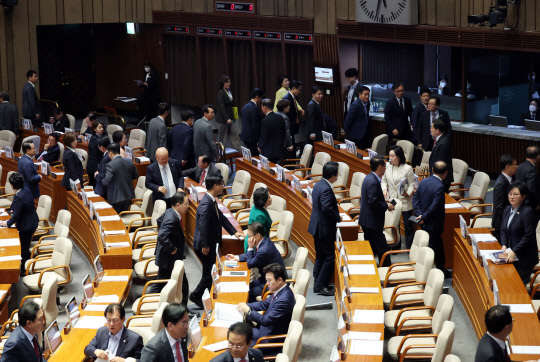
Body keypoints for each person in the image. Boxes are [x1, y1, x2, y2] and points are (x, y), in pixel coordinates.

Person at [189, 174, 244, 308]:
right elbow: (203, 226)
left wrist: (234, 232)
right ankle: (196, 295)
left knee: (209, 271)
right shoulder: (207, 204)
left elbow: (221, 218)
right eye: (222, 184)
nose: (223, 187)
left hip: (208, 243)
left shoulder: (210, 199)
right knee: (209, 273)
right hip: (204, 245)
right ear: (215, 186)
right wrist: (206, 245)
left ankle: (202, 294)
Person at [237, 263, 295, 347]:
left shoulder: (284, 300)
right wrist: (245, 305)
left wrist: (248, 310)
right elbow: (263, 304)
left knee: (238, 346)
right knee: (238, 333)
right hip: (264, 331)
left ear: (279, 280)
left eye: (269, 280)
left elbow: (265, 321)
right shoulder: (281, 290)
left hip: (269, 339)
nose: (267, 283)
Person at [149, 192, 190, 308]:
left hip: (165, 256)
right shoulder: (172, 218)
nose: (188, 206)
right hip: (169, 258)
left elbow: (159, 221)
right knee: (182, 284)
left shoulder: (169, 211)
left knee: (161, 282)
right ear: (178, 205)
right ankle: (184, 310)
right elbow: (161, 236)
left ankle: (145, 302)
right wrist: (172, 249)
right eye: (186, 204)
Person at [226, 222, 285, 301]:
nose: (248, 239)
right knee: (246, 285)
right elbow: (255, 255)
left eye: (249, 236)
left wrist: (250, 247)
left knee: (246, 292)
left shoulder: (264, 250)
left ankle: (251, 310)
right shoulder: (265, 242)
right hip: (267, 278)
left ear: (257, 236)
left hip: (273, 283)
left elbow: (250, 264)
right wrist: (236, 257)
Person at [308, 161, 341, 296]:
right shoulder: (327, 188)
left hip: (317, 226)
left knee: (320, 256)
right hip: (324, 228)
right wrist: (338, 217)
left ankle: (317, 282)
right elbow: (327, 208)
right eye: (337, 173)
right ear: (333, 175)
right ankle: (321, 285)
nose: (338, 175)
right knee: (328, 257)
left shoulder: (318, 184)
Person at [413, 161, 449, 277]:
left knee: (428, 243)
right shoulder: (439, 187)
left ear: (432, 170)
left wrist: (420, 215)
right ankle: (438, 268)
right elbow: (435, 206)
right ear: (445, 173)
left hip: (422, 220)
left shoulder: (423, 181)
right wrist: (424, 216)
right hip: (433, 223)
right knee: (435, 245)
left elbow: (416, 199)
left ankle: (431, 266)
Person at [359, 157, 395, 267]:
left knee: (371, 246)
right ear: (380, 167)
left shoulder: (368, 178)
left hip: (366, 220)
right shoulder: (373, 182)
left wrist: (383, 201)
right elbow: (373, 203)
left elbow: (372, 199)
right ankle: (387, 270)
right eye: (384, 168)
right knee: (382, 247)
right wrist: (387, 205)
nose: (385, 170)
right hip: (373, 221)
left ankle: (369, 267)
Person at [500, 182, 538, 283]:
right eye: (510, 194)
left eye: (515, 194)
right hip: (511, 254)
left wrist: (514, 251)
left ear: (523, 196)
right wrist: (503, 245)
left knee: (517, 286)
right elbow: (503, 229)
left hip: (525, 257)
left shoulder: (527, 212)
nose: (512, 197)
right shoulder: (507, 209)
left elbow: (528, 236)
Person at [0, 173, 38, 268]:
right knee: (24, 243)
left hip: (27, 225)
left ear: (12, 185)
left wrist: (7, 223)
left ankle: (24, 268)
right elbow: (16, 205)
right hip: (32, 221)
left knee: (23, 247)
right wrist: (13, 209)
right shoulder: (25, 190)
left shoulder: (19, 196)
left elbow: (16, 215)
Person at [382, 145, 415, 248]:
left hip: (404, 199)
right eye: (389, 156)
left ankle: (410, 248)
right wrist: (384, 189)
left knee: (407, 225)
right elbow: (383, 180)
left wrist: (408, 193)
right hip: (393, 198)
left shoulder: (407, 168)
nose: (390, 158)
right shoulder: (387, 166)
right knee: (394, 223)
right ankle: (396, 246)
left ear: (399, 156)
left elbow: (411, 184)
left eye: (392, 156)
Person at [102, 143, 139, 213]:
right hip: (128, 195)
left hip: (115, 198)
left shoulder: (111, 164)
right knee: (124, 216)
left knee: (116, 218)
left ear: (110, 153)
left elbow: (106, 181)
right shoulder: (129, 161)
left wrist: (100, 178)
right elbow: (135, 175)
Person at [492, 154, 518, 241]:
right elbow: (499, 207)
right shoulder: (501, 184)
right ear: (507, 167)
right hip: (502, 223)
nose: (517, 166)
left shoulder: (512, 178)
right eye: (515, 164)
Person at [215, 75, 243, 152]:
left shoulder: (229, 92)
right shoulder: (220, 93)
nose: (228, 83)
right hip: (223, 119)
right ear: (222, 83)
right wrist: (227, 118)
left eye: (229, 82)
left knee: (235, 134)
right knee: (222, 138)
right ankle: (221, 154)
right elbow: (221, 107)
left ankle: (238, 152)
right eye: (227, 82)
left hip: (231, 117)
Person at [242, 187, 272, 252]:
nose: (271, 199)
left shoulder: (255, 207)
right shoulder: (260, 216)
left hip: (251, 240)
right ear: (263, 201)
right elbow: (259, 236)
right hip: (256, 245)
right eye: (269, 197)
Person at [258, 98, 286, 164]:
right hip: (279, 150)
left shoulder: (265, 121)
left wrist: (259, 145)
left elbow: (264, 137)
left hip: (269, 152)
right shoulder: (280, 117)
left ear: (264, 107)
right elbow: (284, 133)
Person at [428, 119, 454, 193]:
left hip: (442, 178)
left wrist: (435, 178)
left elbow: (441, 162)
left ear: (437, 130)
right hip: (438, 177)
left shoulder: (443, 143)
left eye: (432, 128)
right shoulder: (440, 140)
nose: (430, 129)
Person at [343, 85, 371, 150]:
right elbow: (348, 119)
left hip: (365, 133)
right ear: (360, 94)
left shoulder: (367, 103)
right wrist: (346, 131)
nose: (367, 96)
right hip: (356, 134)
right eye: (365, 94)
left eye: (368, 94)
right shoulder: (355, 105)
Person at [515, 145, 540, 215]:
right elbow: (531, 190)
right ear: (538, 157)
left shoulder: (520, 166)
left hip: (519, 202)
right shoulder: (532, 170)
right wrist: (536, 205)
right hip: (529, 206)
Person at [240, 88, 264, 156]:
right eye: (260, 98)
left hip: (245, 135)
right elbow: (255, 126)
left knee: (250, 155)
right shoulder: (254, 108)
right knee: (255, 156)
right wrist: (258, 140)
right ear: (257, 97)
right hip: (251, 137)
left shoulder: (245, 106)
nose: (261, 100)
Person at [86, 121, 106, 187]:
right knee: (94, 185)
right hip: (94, 167)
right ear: (94, 129)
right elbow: (93, 156)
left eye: (102, 127)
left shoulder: (101, 136)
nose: (102, 129)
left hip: (98, 164)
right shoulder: (94, 139)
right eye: (99, 127)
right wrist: (96, 169)